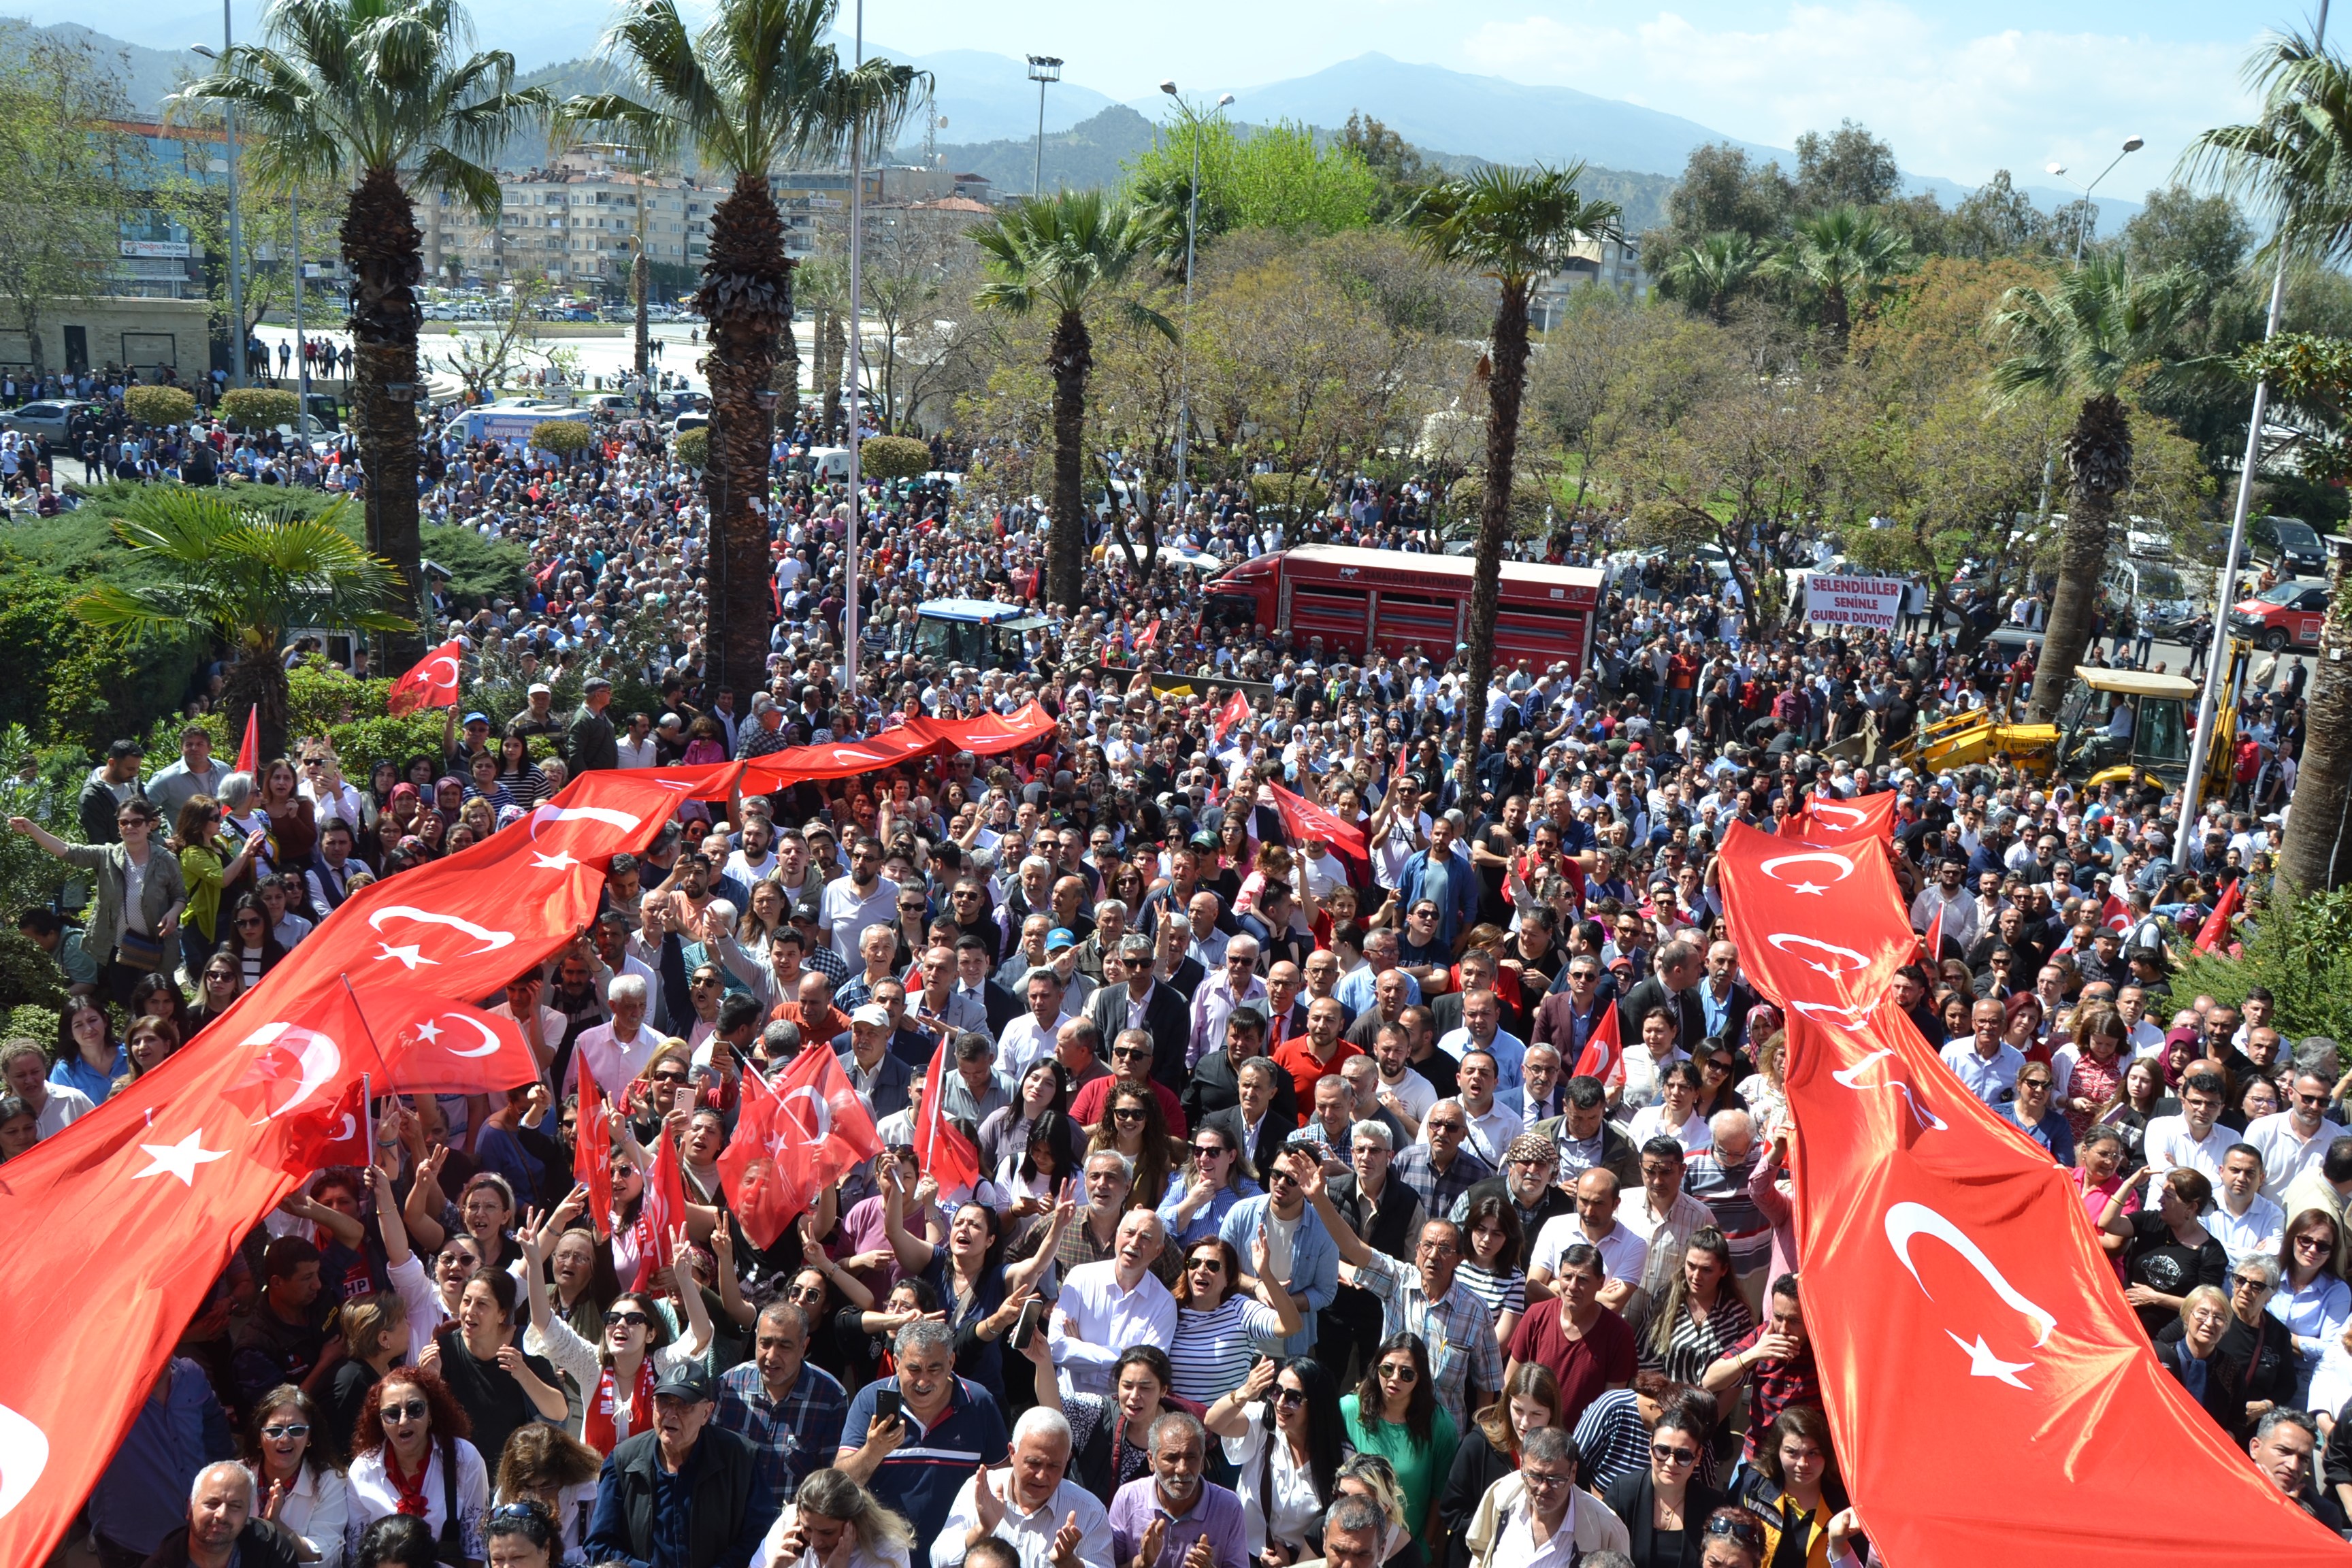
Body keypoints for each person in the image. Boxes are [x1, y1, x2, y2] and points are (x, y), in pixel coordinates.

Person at [1301, 1153, 1502, 1431]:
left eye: (1445, 1249)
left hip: (1442, 1436)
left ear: (1459, 1259)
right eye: (1428, 1246)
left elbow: (1487, 1386)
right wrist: (1320, 1199)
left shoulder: (1475, 1311)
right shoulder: (1397, 1281)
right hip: (1387, 1428)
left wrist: (1478, 1443)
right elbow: (1354, 1248)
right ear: (1417, 1253)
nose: (1434, 1256)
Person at [838, 1318, 1011, 1546]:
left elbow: (1004, 1480)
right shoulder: (870, 1401)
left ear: (951, 1362)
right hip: (883, 1555)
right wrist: (873, 1451)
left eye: (934, 1368)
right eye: (914, 1369)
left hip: (958, 1555)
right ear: (897, 1363)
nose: (923, 1380)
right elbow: (841, 1483)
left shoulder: (979, 1403)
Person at [584, 1364, 770, 1568]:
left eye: (684, 1405)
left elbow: (760, 1536)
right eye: (664, 1402)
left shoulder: (741, 1458)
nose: (671, 1414)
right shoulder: (623, 1461)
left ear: (707, 1413)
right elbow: (600, 1544)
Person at [10, 796, 186, 1006]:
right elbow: (67, 851)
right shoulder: (106, 855)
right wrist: (31, 828)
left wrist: (174, 913)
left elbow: (180, 896)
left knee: (161, 1001)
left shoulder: (166, 859)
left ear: (149, 825)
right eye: (124, 822)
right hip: (119, 947)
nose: (130, 827)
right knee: (126, 1002)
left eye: (137, 822)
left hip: (155, 945)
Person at [1200, 1357, 1347, 1566]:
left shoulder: (1340, 1455)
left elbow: (1341, 1522)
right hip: (1244, 1556)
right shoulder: (1263, 1424)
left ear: (1317, 1404)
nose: (1280, 1402)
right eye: (1276, 1390)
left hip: (1305, 1563)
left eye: (1294, 1397)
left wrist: (1292, 1562)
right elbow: (1213, 1421)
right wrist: (1246, 1391)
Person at [930, 1405, 1115, 1568]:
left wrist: (1069, 1563)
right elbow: (938, 1561)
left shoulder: (1089, 1511)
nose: (1042, 1476)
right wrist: (982, 1530)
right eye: (1034, 1463)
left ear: (1067, 1460)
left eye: (1053, 1466)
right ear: (1012, 1453)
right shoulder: (981, 1491)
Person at [342, 1367, 490, 1567]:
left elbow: (476, 1549)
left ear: (431, 1414)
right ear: (381, 1421)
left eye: (415, 1409)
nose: (404, 1421)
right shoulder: (362, 1471)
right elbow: (356, 1554)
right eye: (392, 1414)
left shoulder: (464, 1458)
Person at [715, 1301, 851, 1510]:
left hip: (791, 1527)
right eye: (765, 1343)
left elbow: (829, 1480)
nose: (771, 1356)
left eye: (784, 1346)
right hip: (729, 1522)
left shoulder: (830, 1397)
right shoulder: (729, 1386)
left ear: (804, 1346)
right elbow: (707, 1458)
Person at [429, 1268, 568, 1472]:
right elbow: (431, 1419)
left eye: (482, 1304)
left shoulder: (526, 1343)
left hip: (517, 1472)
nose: (470, 1311)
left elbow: (559, 1412)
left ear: (502, 1314)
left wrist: (522, 1373)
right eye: (466, 1301)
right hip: (462, 1471)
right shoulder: (446, 1346)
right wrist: (429, 1379)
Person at [1435, 1364, 1565, 1563]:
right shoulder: (1478, 1445)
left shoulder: (1564, 1457)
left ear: (1552, 1413)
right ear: (1506, 1404)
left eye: (1536, 1414)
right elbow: (1452, 1510)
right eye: (1518, 1410)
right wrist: (1495, 1531)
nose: (1524, 1423)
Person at [1503, 1242, 1635, 1435]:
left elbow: (1611, 1407)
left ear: (1601, 1282)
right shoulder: (1536, 1315)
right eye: (1567, 1277)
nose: (1573, 1287)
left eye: (1583, 1279)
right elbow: (1510, 1380)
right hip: (1528, 1436)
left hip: (1581, 1447)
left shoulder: (1619, 1334)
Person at [1455, 1426, 1629, 1566]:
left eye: (1555, 1479)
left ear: (1574, 1472)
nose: (1544, 1488)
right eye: (1535, 1477)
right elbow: (1480, 1550)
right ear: (1522, 1466)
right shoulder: (1502, 1495)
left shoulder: (1606, 1529)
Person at [1339, 1333, 1455, 1541]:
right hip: (1352, 1541)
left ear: (1420, 1379)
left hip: (1408, 1548)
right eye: (1387, 1369)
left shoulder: (1440, 1425)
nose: (1394, 1378)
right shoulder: (1347, 1410)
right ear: (1376, 1368)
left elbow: (1441, 1494)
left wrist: (1424, 1546)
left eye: (1407, 1374)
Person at [1168, 1231, 1302, 1406]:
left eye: (1213, 1266)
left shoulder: (1241, 1309)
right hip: (1175, 1422)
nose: (1201, 1270)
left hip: (1224, 1426)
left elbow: (1291, 1326)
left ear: (1228, 1278)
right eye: (1194, 1264)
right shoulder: (1171, 1309)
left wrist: (1265, 1275)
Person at [1054, 1209, 1179, 1395]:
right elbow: (1056, 1347)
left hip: (1121, 1411)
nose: (1134, 1242)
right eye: (1129, 1233)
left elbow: (1147, 1374)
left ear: (1158, 1251)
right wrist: (1122, 1355)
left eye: (1145, 1238)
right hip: (1066, 1399)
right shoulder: (1080, 1278)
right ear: (1117, 1235)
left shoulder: (1164, 1303)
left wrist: (1081, 1356)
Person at [2098, 1167, 2228, 1339]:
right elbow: (2107, 1223)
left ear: (2190, 1207)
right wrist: (2130, 1184)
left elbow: (2204, 1305)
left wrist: (2156, 1298)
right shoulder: (2151, 1221)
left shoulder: (2211, 1252)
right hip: (2121, 1325)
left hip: (2164, 1340)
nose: (2161, 1200)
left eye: (2168, 1196)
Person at [1105, 1412, 1248, 1568]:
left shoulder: (1229, 1507)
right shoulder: (1128, 1498)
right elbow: (1107, 1565)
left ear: (1202, 1460)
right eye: (1172, 1458)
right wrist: (1143, 1563)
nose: (1182, 1469)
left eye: (1191, 1457)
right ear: (1151, 1460)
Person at [1599, 1404, 1724, 1568]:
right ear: (1650, 1447)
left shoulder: (1712, 1505)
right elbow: (1600, 1557)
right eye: (1662, 1451)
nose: (1671, 1463)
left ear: (1698, 1456)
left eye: (1683, 1455)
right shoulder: (1623, 1493)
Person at [245, 1386, 350, 1568]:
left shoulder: (330, 1482)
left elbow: (322, 1558)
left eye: (296, 1430)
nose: (285, 1439)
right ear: (259, 1437)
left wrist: (278, 1526)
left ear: (309, 1436)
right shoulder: (237, 1475)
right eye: (274, 1431)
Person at [1633, 1229, 1753, 1390]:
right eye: (1691, 1266)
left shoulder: (1737, 1315)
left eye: (1707, 1270)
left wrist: (1712, 1415)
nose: (1696, 1276)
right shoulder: (1664, 1299)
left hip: (1713, 1409)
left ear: (1723, 1270)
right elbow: (1646, 1360)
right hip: (1664, 1403)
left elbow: (1738, 1380)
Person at [1731, 1407, 1842, 1568]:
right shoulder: (1751, 1486)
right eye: (1792, 1452)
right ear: (1777, 1451)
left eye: (1813, 1453)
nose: (1803, 1464)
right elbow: (1724, 1545)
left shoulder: (1842, 1503)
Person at [144, 1462, 308, 1568]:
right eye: (212, 1503)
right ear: (190, 1507)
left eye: (235, 1506)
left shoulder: (273, 1551)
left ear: (248, 1515)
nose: (222, 1514)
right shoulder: (161, 1563)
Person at [756, 1467, 920, 1568]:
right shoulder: (788, 1525)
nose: (815, 1542)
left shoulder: (887, 1550)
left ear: (854, 1522)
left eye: (827, 1532)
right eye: (807, 1529)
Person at [2153, 1286, 2248, 1434]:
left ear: (2226, 1327)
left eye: (2218, 1317)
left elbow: (2238, 1421)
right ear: (2186, 1316)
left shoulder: (2232, 1369)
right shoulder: (2160, 1357)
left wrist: (2229, 1436)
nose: (2210, 1323)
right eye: (2202, 1313)